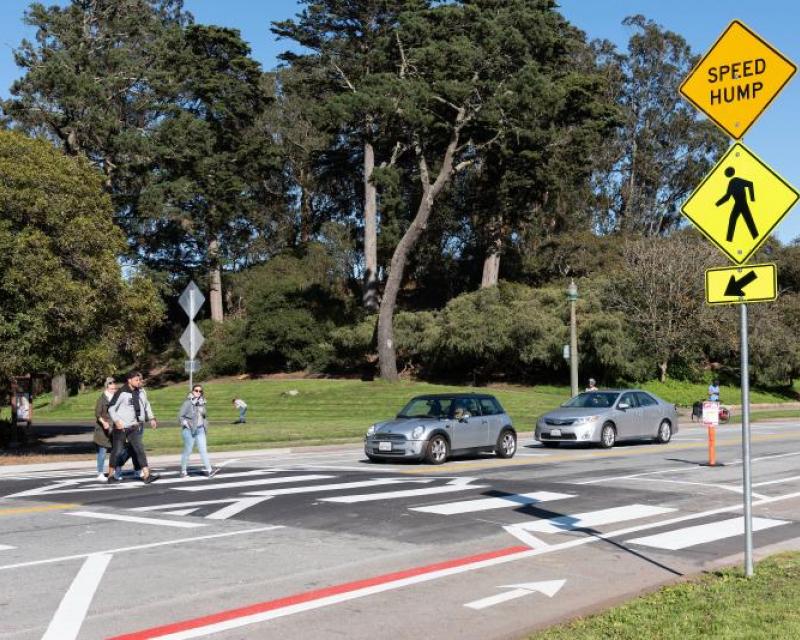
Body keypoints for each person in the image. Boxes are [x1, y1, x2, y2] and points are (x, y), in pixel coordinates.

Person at [107, 371, 159, 484]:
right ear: (129, 380)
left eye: (139, 380)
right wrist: (116, 421)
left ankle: (147, 475)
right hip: (121, 428)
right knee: (117, 451)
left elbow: (146, 405)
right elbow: (111, 408)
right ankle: (111, 476)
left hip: (133, 427)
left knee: (139, 450)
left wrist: (152, 418)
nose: (139, 382)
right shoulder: (122, 392)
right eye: (136, 380)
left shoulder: (141, 392)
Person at [178, 385, 218, 478]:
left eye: (200, 391)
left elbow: (204, 415)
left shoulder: (202, 402)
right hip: (189, 430)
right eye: (196, 390)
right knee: (188, 450)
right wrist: (186, 424)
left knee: (203, 450)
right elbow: (180, 416)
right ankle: (183, 471)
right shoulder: (187, 403)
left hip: (200, 429)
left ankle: (209, 470)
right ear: (192, 391)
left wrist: (201, 407)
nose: (198, 392)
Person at [93, 377, 116, 482]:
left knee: (116, 451)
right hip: (102, 430)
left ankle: (113, 471)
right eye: (111, 389)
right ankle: (100, 473)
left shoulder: (115, 398)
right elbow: (97, 414)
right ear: (106, 388)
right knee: (102, 452)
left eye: (114, 389)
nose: (113, 390)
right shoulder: (101, 399)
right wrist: (104, 423)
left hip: (114, 428)